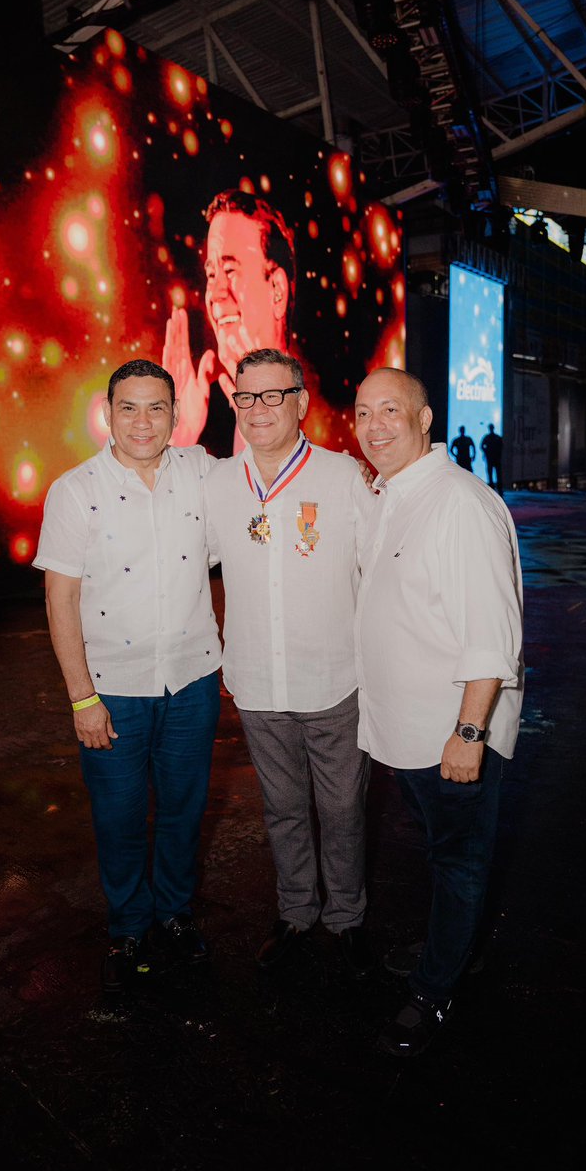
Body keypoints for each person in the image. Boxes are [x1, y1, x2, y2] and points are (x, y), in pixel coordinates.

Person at [33, 359, 222, 996]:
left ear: (177, 413)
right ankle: (128, 928)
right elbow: (60, 601)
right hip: (112, 687)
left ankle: (173, 915)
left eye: (157, 407)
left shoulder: (200, 472)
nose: (143, 422)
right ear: (107, 413)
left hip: (193, 681)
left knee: (182, 813)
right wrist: (82, 697)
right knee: (118, 819)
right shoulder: (74, 490)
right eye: (129, 407)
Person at [353, 367, 524, 1057]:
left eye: (391, 410)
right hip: (409, 731)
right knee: (443, 855)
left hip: (452, 733)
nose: (374, 426)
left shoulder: (460, 503)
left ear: (426, 420)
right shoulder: (396, 496)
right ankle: (459, 947)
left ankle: (435, 993)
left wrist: (469, 733)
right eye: (363, 412)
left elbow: (492, 634)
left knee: (458, 861)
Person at [203, 347, 377, 977]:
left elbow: (383, 572)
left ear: (302, 403)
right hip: (256, 683)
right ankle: (297, 911)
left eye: (273, 395)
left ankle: (347, 918)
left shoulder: (344, 479)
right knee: (280, 810)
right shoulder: (220, 484)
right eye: (245, 397)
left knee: (341, 809)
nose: (257, 409)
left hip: (334, 680)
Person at [163, 189, 296, 457]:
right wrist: (175, 442)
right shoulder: (202, 418)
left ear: (277, 291)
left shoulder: (328, 413)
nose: (216, 292)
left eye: (230, 270)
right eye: (211, 274)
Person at [480, 423, 503, 493]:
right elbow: (481, 446)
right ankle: (493, 489)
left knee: (497, 474)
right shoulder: (488, 437)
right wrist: (486, 452)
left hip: (494, 458)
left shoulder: (496, 437)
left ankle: (498, 489)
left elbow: (501, 446)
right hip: (491, 458)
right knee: (491, 474)